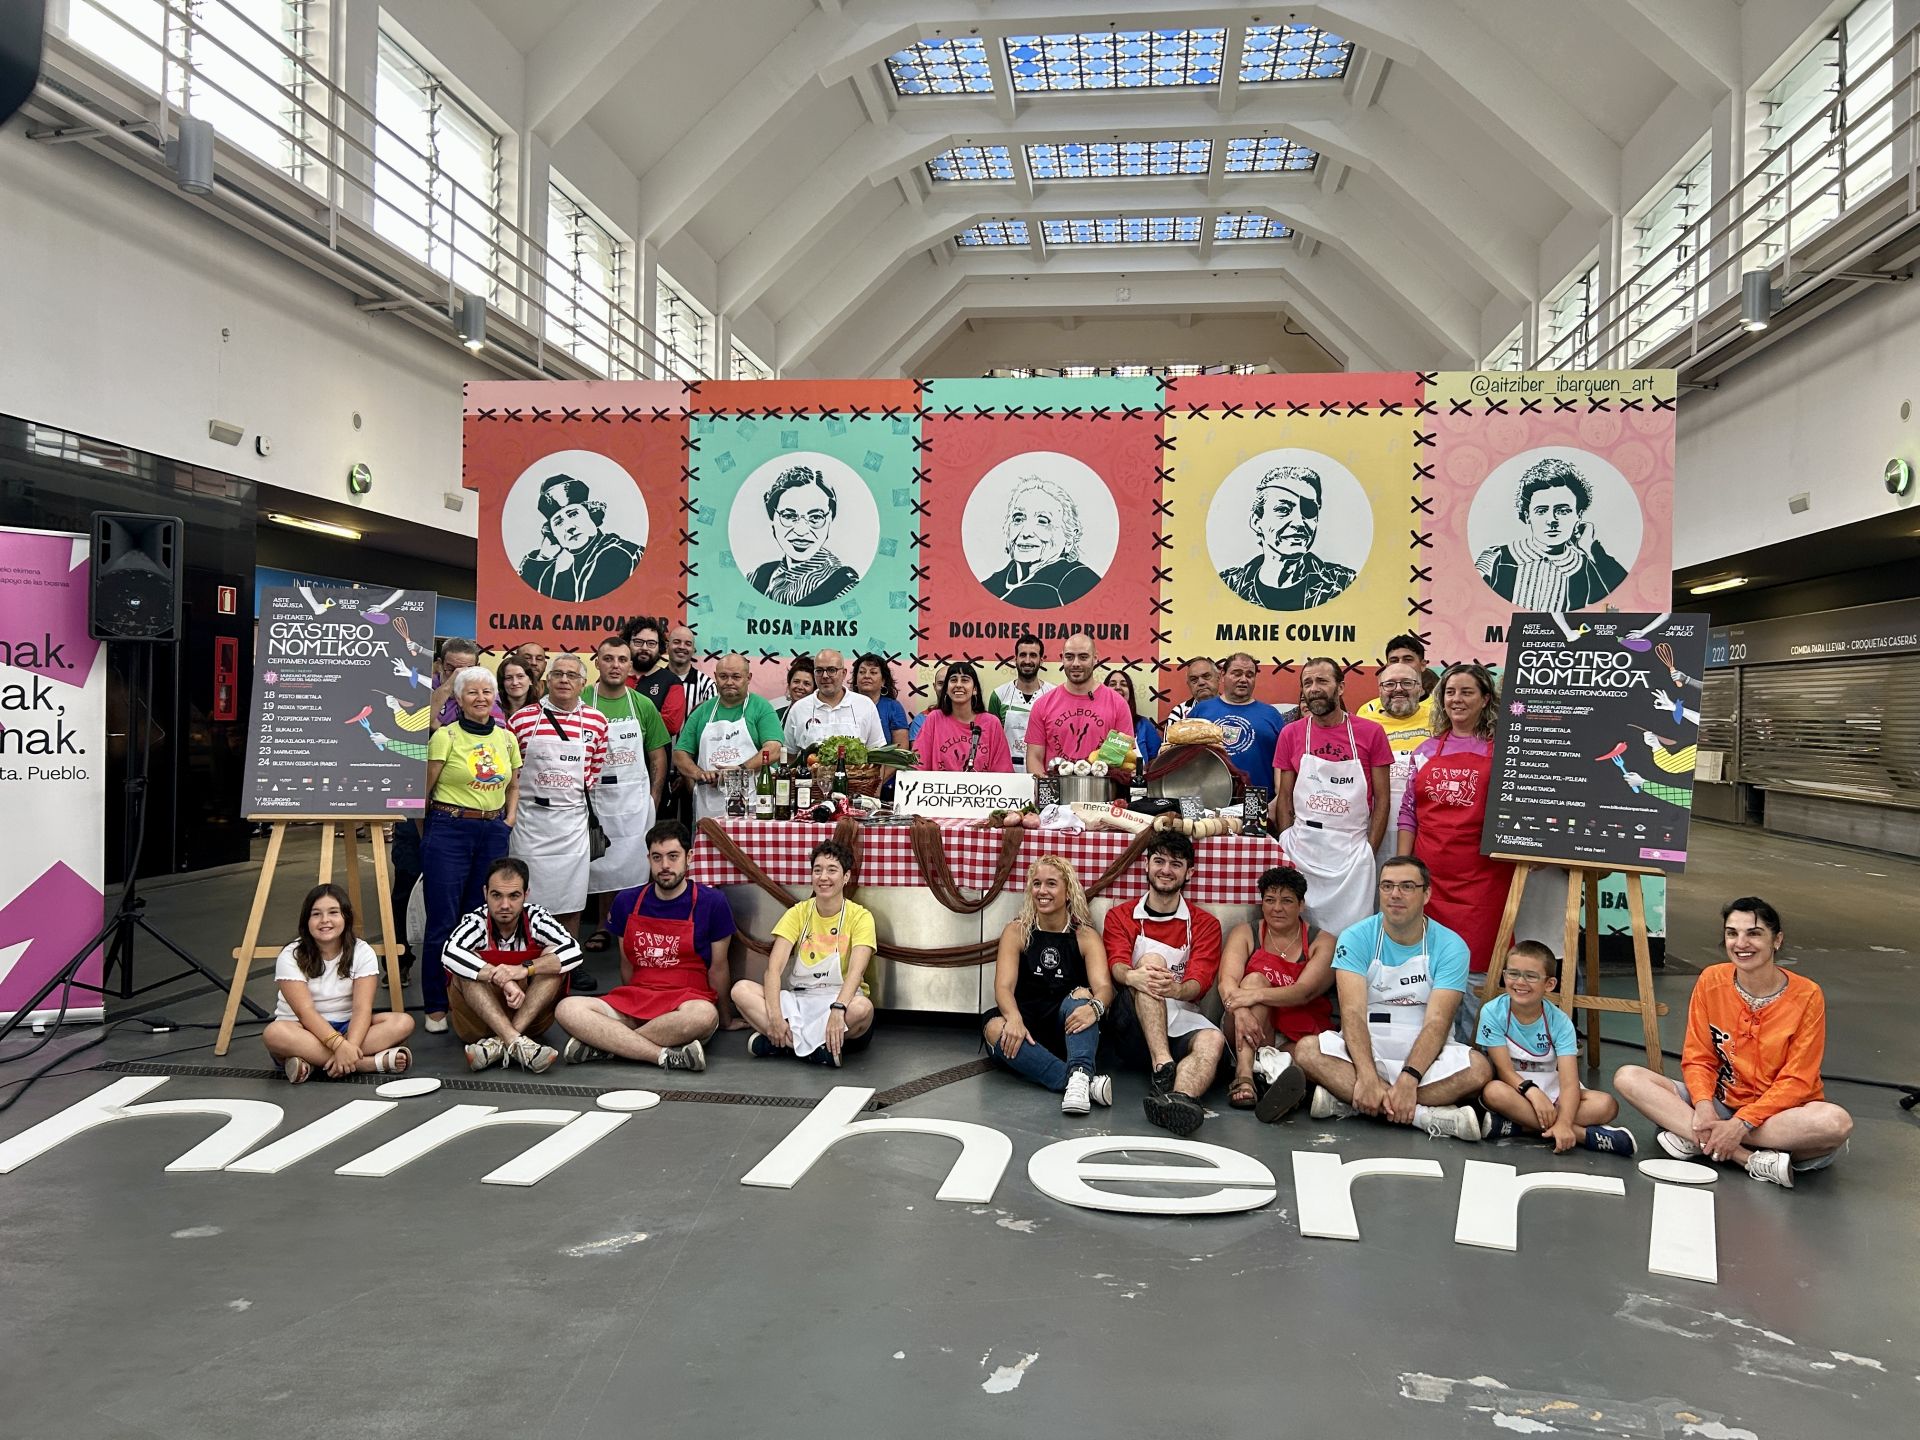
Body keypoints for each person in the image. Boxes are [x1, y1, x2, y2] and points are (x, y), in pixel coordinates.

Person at [1614, 898, 1853, 1188]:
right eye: (1732, 933)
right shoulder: (1711, 979)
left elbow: (1798, 1080)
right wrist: (1704, 1106)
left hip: (1779, 1118)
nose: (1741, 944)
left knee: (1835, 1123)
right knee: (1628, 1077)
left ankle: (1697, 1138)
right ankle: (1747, 1159)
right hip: (1721, 1105)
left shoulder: (1808, 995)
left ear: (1777, 940)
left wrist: (1741, 1124)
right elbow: (1699, 1057)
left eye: (1754, 933)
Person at [1287, 857, 1488, 1141]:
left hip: (1427, 1054)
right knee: (1307, 1051)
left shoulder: (1451, 946)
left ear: (1426, 894)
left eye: (1407, 886)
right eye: (1387, 886)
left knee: (1479, 1070)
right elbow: (1353, 1013)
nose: (1395, 894)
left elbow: (1438, 1022)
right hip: (1367, 1046)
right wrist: (1367, 1075)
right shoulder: (1355, 937)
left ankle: (1352, 1102)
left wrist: (1409, 1078)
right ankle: (1422, 1116)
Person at [559, 821, 738, 1072]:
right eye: (657, 857)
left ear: (689, 857)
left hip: (687, 1001)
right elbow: (627, 963)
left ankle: (608, 1045)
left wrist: (725, 1018)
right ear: (648, 859)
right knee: (567, 1008)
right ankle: (660, 1054)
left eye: (673, 856)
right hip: (636, 996)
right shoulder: (627, 901)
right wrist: (628, 1002)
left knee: (704, 1016)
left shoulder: (712, 902)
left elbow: (718, 968)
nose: (664, 865)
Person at [1397, 662, 1512, 1011]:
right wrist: (1404, 869)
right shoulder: (1425, 751)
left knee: (1478, 968)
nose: (1456, 699)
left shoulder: (1503, 752)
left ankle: (1475, 1040)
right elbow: (1408, 813)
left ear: (1485, 699)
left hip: (1483, 879)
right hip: (1430, 876)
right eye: (1450, 692)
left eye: (1466, 692)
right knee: (1428, 963)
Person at [1102, 831, 1227, 1135]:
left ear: (1189, 872)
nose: (1166, 870)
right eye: (1159, 861)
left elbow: (1200, 981)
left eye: (1176, 864)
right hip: (1131, 1027)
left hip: (1180, 1016)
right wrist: (1133, 976)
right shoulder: (1120, 915)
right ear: (1147, 865)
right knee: (1152, 963)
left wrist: (1178, 990)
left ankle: (1178, 1099)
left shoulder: (1205, 924)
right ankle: (1162, 1067)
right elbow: (1116, 964)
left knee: (1213, 1040)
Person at [420, 664, 521, 1033]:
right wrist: (429, 832)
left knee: (480, 919)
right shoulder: (444, 737)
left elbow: (513, 784)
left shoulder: (506, 738)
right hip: (450, 828)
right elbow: (424, 792)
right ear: (459, 700)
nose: (481, 698)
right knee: (443, 919)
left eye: (486, 692)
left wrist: (508, 819)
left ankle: (470, 999)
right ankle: (436, 1004)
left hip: (492, 831)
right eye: (472, 692)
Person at [984, 856, 1115, 1114]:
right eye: (1037, 884)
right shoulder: (1016, 931)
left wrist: (1095, 1007)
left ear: (1068, 892)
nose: (1042, 891)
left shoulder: (1085, 936)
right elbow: (1003, 987)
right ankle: (1080, 1082)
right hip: (1025, 1027)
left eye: (1051, 884)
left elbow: (1105, 988)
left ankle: (1078, 1071)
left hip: (1067, 1029)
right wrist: (1014, 1018)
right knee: (994, 1027)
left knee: (1082, 997)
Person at [1477, 940, 1635, 1153]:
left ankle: (1519, 1126)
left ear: (1550, 984)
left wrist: (1564, 1122)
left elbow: (1569, 1083)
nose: (1520, 982)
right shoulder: (1492, 1012)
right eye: (1512, 973)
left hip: (1554, 1091)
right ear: (1504, 975)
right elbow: (1504, 1071)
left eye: (1531, 976)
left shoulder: (1560, 1021)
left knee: (1606, 1105)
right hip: (1516, 1090)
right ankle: (1584, 1136)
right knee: (1493, 1092)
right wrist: (1532, 1092)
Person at [1273, 658, 1393, 938]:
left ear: (1340, 687)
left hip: (1351, 855)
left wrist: (1368, 851)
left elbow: (1383, 800)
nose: (1314, 689)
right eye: (1307, 683)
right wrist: (1286, 840)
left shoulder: (1371, 733)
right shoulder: (1291, 733)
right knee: (1300, 934)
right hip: (1302, 850)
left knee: (1351, 937)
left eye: (1322, 681)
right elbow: (1285, 797)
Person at [732, 840, 877, 1064]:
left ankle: (782, 1044)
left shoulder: (860, 917)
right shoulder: (798, 913)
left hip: (840, 998)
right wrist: (776, 1016)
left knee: (863, 1009)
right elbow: (773, 969)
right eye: (817, 870)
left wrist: (839, 1009)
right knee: (740, 990)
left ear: (846, 877)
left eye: (832, 870)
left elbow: (856, 973)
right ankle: (815, 1050)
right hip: (800, 999)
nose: (823, 877)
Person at [440, 857, 581, 1073]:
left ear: (526, 894)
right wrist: (501, 978)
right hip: (476, 1027)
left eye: (514, 896)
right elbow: (449, 952)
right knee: (466, 965)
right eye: (496, 895)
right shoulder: (476, 920)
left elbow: (574, 950)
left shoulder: (536, 917)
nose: (505, 905)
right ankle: (515, 1040)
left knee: (552, 960)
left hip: (530, 1025)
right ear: (485, 893)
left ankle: (501, 1043)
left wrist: (524, 969)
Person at [262, 883, 415, 1082]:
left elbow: (362, 1008)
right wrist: (340, 1046)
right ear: (306, 920)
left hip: (348, 1027)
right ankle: (366, 1064)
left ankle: (313, 1062)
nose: (325, 920)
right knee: (274, 1033)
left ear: (346, 917)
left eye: (333, 912)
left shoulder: (362, 951)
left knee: (402, 1022)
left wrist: (349, 1046)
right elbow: (305, 1011)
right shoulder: (291, 954)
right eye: (316, 914)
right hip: (302, 1028)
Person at [1217, 865, 1333, 1116]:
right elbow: (1226, 982)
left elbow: (1304, 992)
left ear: (1301, 905)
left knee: (1305, 1057)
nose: (1277, 908)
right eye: (1270, 900)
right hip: (1250, 1028)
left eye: (1287, 901)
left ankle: (1269, 1074)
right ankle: (1245, 1076)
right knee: (1253, 980)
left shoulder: (1322, 941)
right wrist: (1242, 1011)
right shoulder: (1246, 932)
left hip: (1299, 1034)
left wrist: (1254, 995)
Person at [507, 653, 609, 935]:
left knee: (571, 901)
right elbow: (510, 772)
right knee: (521, 898)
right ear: (547, 680)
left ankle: (568, 956)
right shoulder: (521, 720)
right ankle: (525, 952)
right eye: (558, 674)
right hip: (529, 823)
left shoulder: (597, 722)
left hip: (571, 825)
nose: (564, 680)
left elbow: (593, 771)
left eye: (572, 675)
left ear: (583, 684)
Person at [583, 635, 672, 951]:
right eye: (608, 659)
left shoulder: (642, 704)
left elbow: (658, 754)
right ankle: (603, 925)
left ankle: (633, 925)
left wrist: (654, 798)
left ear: (630, 665)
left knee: (635, 865)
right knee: (600, 866)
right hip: (593, 801)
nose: (615, 665)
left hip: (634, 801)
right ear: (597, 662)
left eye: (622, 660)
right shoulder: (581, 700)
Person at [1475, 456, 1628, 609]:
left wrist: (1591, 548)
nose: (1552, 520)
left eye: (1563, 511)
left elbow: (1623, 597)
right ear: (1528, 516)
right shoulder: (1495, 559)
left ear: (1579, 515)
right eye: (1541, 511)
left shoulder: (1589, 568)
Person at [1217, 464, 1356, 610]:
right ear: (1257, 521)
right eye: (1283, 509)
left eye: (1308, 510)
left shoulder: (1344, 583)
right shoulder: (1229, 585)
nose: (1299, 523)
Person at [675, 652, 786, 822]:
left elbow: (774, 749)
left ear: (748, 678)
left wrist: (740, 770)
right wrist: (699, 774)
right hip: (710, 805)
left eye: (736, 677)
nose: (729, 682)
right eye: (723, 676)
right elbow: (680, 754)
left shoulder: (761, 707)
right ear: (715, 677)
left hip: (755, 805)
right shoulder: (702, 711)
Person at [517, 473, 643, 603]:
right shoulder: (563, 578)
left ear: (591, 515)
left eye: (573, 514)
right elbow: (523, 601)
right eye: (558, 522)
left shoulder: (617, 554)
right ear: (553, 535)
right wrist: (542, 557)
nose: (569, 527)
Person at [749, 463, 862, 606]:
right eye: (789, 516)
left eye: (815, 517)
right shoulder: (758, 577)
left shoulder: (844, 588)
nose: (801, 531)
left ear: (830, 520)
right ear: (773, 520)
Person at [980, 476, 1102, 608]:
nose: (1025, 533)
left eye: (1043, 521)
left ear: (1069, 539)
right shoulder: (990, 585)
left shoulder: (1081, 582)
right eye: (1018, 519)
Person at [1024, 632, 1133, 774]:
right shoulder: (1042, 704)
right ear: (1062, 658)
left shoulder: (1118, 704)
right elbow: (1034, 757)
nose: (1076, 663)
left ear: (1095, 659)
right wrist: (1047, 786)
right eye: (1069, 657)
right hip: (1054, 787)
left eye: (1083, 657)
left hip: (1102, 788)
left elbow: (1121, 759)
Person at [1358, 661, 1432, 869]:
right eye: (1390, 684)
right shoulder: (1364, 722)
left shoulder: (1439, 719)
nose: (1398, 689)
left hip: (1423, 825)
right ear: (1380, 690)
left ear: (1420, 688)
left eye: (1407, 683)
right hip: (1375, 824)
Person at [1189, 652, 1287, 785]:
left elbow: (1283, 763)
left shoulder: (1271, 715)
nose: (1243, 679)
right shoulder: (1201, 711)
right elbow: (1184, 757)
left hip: (1260, 796)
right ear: (1223, 675)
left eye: (1249, 675)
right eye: (1237, 674)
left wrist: (1278, 795)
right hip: (1210, 794)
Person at [783, 648, 885, 757]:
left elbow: (877, 753)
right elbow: (789, 754)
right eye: (819, 671)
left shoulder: (865, 705)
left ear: (844, 673)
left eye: (831, 670)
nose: (825, 676)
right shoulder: (799, 709)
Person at [914, 661, 1014, 772]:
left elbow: (1003, 771)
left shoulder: (992, 723)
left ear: (975, 689)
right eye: (953, 680)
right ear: (946, 689)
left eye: (965, 680)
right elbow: (918, 766)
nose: (958, 685)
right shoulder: (934, 719)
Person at [988, 633, 1053, 755]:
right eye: (1023, 655)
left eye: (1033, 655)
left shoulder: (1053, 695)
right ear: (1015, 659)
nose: (1027, 661)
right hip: (1006, 765)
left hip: (1042, 766)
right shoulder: (999, 695)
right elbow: (991, 738)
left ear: (1041, 660)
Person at [623, 615, 687, 735]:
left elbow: (671, 726)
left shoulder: (672, 682)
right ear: (627, 644)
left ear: (660, 647)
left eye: (651, 643)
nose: (644, 648)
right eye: (638, 642)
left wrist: (622, 718)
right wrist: (653, 716)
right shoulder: (614, 677)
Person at [429, 638, 504, 729]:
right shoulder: (426, 685)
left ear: (477, 667)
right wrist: (448, 687)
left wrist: (443, 730)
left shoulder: (486, 689)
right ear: (440, 664)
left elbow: (497, 729)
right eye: (451, 668)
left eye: (466, 670)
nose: (458, 675)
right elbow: (421, 723)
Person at [1103, 669, 1162, 766]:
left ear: (1130, 693)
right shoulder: (1096, 722)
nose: (1118, 687)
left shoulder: (1143, 725)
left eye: (1124, 684)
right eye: (1112, 684)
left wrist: (1144, 770)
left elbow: (1158, 759)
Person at [853, 653, 911, 747]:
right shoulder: (846, 705)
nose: (866, 676)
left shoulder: (893, 707)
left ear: (883, 681)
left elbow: (901, 750)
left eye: (873, 672)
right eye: (862, 672)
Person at [1165, 655, 1219, 727]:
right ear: (1189, 685)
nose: (1201, 682)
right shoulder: (1179, 712)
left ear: (1218, 678)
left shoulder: (1231, 706)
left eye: (1206, 676)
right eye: (1194, 679)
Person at [1382, 632, 1437, 698]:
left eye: (1408, 660)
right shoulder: (1373, 705)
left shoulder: (1438, 704)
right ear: (1387, 667)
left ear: (1422, 665)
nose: (1400, 665)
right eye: (1394, 661)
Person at [771, 656, 816, 723]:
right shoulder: (776, 716)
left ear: (815, 689)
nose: (800, 687)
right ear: (789, 684)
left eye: (806, 683)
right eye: (796, 681)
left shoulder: (820, 717)